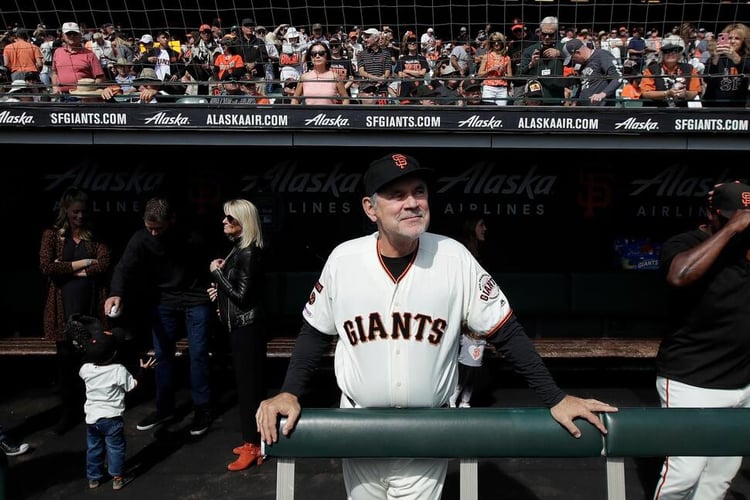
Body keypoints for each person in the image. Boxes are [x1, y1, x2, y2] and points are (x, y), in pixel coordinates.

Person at [256, 153, 618, 500]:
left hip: (427, 430)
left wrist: (555, 397)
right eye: (396, 195)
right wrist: (289, 392)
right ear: (370, 208)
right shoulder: (344, 259)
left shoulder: (454, 257)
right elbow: (315, 333)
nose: (412, 203)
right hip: (360, 428)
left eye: (419, 191)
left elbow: (505, 331)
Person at [653, 181, 750, 500]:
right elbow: (679, 275)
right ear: (712, 213)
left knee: (718, 478)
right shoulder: (686, 242)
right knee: (684, 473)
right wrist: (732, 229)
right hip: (692, 380)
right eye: (735, 216)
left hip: (742, 383)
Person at [104, 197, 214, 437]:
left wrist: (214, 285)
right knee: (162, 355)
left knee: (198, 355)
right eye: (149, 227)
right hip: (165, 301)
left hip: (195, 299)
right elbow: (123, 267)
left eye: (158, 228)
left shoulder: (191, 236)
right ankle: (164, 409)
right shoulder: (141, 238)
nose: (153, 233)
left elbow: (211, 262)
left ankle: (202, 409)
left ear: (171, 220)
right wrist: (115, 293)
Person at [39, 186, 111, 434]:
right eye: (75, 212)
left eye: (83, 211)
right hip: (63, 309)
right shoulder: (52, 235)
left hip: (90, 307)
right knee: (66, 364)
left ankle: (93, 411)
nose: (80, 216)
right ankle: (68, 412)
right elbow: (47, 267)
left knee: (91, 361)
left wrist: (68, 268)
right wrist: (85, 263)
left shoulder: (95, 235)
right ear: (66, 210)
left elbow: (104, 264)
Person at [207, 199, 267, 472]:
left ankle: (254, 445)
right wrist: (219, 291)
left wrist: (217, 275)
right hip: (241, 327)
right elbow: (236, 291)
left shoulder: (249, 253)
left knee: (249, 388)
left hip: (247, 329)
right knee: (247, 387)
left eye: (230, 218)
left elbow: (242, 296)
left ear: (243, 222)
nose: (224, 221)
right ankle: (254, 441)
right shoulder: (239, 249)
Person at [78, 317, 155, 490]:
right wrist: (142, 371)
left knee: (94, 448)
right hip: (111, 419)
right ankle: (118, 477)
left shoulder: (85, 369)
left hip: (92, 419)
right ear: (114, 354)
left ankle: (94, 478)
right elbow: (132, 386)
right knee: (115, 448)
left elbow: (85, 361)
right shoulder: (118, 370)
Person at [518, 16, 566, 105]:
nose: (547, 37)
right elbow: (518, 74)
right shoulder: (530, 49)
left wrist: (560, 54)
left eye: (550, 34)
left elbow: (576, 61)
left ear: (556, 33)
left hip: (556, 98)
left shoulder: (563, 47)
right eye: (544, 34)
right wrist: (531, 64)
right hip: (535, 99)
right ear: (540, 32)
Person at [639, 40, 702, 107]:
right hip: (657, 109)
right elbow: (645, 93)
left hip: (681, 110)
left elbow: (695, 91)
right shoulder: (651, 70)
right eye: (666, 52)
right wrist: (666, 93)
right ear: (662, 55)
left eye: (674, 51)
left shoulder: (689, 69)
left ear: (679, 55)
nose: (670, 54)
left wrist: (685, 94)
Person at [702, 23, 750, 108]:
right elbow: (706, 79)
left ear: (743, 41)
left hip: (738, 107)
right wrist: (715, 58)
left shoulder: (747, 58)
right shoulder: (715, 58)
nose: (732, 41)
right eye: (730, 38)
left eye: (737, 38)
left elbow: (747, 71)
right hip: (713, 106)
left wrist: (737, 59)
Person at [563, 38, 622, 106]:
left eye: (573, 59)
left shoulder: (602, 55)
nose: (574, 62)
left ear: (578, 52)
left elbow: (618, 77)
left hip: (601, 109)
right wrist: (576, 100)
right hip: (584, 109)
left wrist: (602, 94)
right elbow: (585, 85)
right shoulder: (583, 64)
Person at [449, 329, 487, 408]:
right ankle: (452, 400)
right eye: (476, 331)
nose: (478, 334)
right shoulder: (464, 338)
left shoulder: (484, 341)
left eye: (480, 332)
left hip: (476, 367)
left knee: (470, 385)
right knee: (459, 384)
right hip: (464, 365)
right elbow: (454, 342)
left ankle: (465, 401)